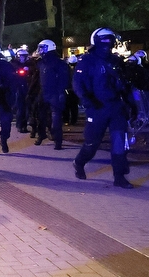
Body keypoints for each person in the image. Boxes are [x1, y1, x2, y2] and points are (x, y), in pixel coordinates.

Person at [73, 27, 137, 188]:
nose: (108, 43)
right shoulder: (87, 61)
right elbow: (78, 84)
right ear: (96, 40)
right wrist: (89, 101)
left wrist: (131, 105)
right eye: (104, 39)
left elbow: (125, 86)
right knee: (92, 144)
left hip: (116, 108)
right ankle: (79, 162)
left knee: (119, 143)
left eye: (110, 39)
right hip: (97, 108)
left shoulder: (116, 61)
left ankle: (119, 176)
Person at [31, 40, 71, 149]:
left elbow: (64, 80)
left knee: (56, 119)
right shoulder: (41, 62)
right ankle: (42, 135)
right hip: (43, 93)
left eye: (42, 47)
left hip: (55, 94)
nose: (40, 50)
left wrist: (61, 93)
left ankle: (58, 141)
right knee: (40, 116)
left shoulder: (59, 63)